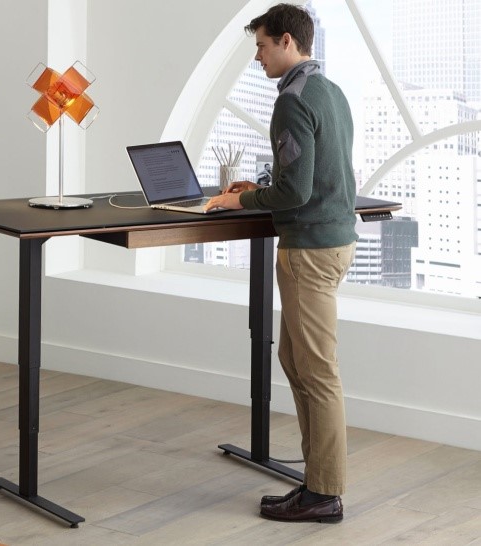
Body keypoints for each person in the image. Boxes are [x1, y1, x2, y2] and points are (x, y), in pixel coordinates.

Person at [204, 3, 357, 523]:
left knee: (317, 372)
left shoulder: (292, 99)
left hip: (309, 250)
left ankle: (325, 493)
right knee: (295, 361)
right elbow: (315, 176)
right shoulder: (330, 92)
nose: (259, 58)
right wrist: (260, 188)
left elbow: (295, 192)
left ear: (288, 42)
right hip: (332, 243)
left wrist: (237, 201)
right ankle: (316, 483)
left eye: (263, 47)